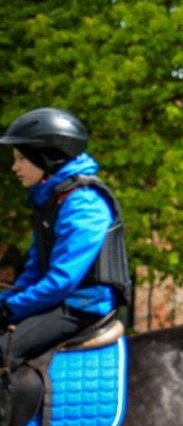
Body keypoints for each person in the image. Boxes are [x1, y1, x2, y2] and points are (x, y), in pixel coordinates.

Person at [0, 107, 132, 369]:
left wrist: (9, 310)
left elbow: (62, 280)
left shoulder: (83, 204)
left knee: (3, 351)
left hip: (82, 307)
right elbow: (35, 271)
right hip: (61, 302)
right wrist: (5, 303)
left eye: (21, 159)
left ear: (46, 158)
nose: (15, 167)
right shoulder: (51, 201)